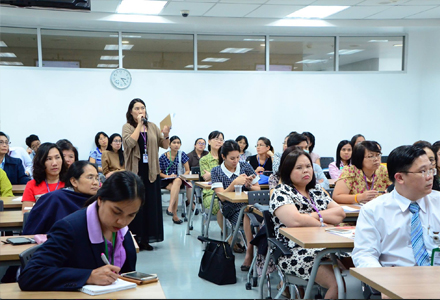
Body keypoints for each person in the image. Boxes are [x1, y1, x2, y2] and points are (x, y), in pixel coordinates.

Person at [18, 171, 144, 291]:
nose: (122, 222)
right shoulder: (70, 228)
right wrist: (88, 276)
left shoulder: (124, 233)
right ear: (100, 199)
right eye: (116, 212)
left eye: (131, 215)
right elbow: (30, 274)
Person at [269, 149, 348, 299]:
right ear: (288, 171)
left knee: (360, 274)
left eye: (308, 166)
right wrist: (324, 221)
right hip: (294, 251)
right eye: (299, 168)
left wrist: (312, 217)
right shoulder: (281, 192)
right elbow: (295, 221)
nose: (306, 170)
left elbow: (339, 214)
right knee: (338, 285)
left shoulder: (316, 189)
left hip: (326, 245)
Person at [353, 145, 440, 270]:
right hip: (394, 281)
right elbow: (364, 255)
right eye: (422, 171)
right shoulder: (373, 210)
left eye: (431, 170)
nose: (430, 176)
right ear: (399, 178)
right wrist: (382, 281)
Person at [122, 98, 170, 251]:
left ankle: (146, 239)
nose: (140, 111)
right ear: (131, 111)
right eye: (137, 108)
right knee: (136, 204)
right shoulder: (127, 127)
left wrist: (166, 134)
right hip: (136, 171)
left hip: (151, 171)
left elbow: (164, 145)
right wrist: (139, 125)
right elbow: (129, 143)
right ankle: (134, 237)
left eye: (142, 108)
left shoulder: (153, 126)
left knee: (150, 204)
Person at [211, 140, 260, 271]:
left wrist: (249, 185)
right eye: (232, 158)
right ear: (223, 157)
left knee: (254, 214)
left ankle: (259, 253)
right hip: (230, 208)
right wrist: (235, 183)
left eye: (238, 157)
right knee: (247, 214)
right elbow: (221, 196)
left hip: (250, 204)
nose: (236, 161)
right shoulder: (216, 171)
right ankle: (250, 251)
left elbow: (258, 189)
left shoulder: (245, 166)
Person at [23, 161, 100, 235]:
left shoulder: (100, 200)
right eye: (90, 177)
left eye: (97, 178)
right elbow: (32, 232)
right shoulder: (55, 199)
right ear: (74, 181)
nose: (95, 182)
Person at [332, 141, 391, 205]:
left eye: (378, 155)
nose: (376, 159)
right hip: (356, 211)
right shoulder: (350, 171)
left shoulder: (383, 170)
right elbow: (337, 196)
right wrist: (360, 197)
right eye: (371, 156)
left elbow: (396, 191)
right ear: (360, 158)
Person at [21, 143, 67, 211]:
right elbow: (27, 214)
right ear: (40, 162)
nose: (54, 163)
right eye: (49, 159)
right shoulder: (32, 185)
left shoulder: (70, 183)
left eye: (57, 158)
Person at [159, 135, 190, 224]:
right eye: (174, 143)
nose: (176, 145)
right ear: (169, 144)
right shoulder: (163, 157)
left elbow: (188, 170)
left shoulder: (182, 154)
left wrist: (182, 176)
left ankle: (170, 208)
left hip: (179, 179)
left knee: (177, 182)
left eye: (178, 143)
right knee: (174, 189)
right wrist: (167, 176)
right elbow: (159, 173)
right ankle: (175, 216)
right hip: (166, 180)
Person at [199, 130, 224, 231]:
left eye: (221, 140)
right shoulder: (204, 159)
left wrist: (212, 174)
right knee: (220, 206)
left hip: (226, 191)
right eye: (216, 139)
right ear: (209, 142)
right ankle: (229, 238)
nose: (219, 142)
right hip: (210, 193)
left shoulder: (225, 158)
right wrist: (222, 174)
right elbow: (206, 177)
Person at [186, 137, 208, 211]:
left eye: (203, 143)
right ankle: (192, 203)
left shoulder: (207, 154)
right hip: (192, 178)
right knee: (189, 184)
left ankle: (205, 203)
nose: (201, 145)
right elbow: (186, 170)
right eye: (199, 143)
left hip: (204, 177)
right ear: (195, 145)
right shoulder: (189, 155)